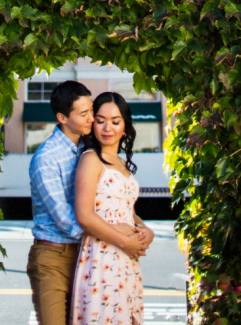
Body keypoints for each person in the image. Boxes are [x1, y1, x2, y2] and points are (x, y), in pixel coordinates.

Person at [27, 81, 150, 325]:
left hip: (91, 255)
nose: (92, 119)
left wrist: (141, 229)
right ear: (63, 117)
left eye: (91, 111)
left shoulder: (89, 147)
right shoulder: (46, 158)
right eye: (85, 114)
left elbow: (111, 201)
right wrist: (121, 236)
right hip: (54, 256)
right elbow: (68, 221)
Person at [70, 91, 155, 325]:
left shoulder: (121, 163)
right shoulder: (90, 159)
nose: (108, 128)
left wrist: (146, 230)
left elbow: (127, 210)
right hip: (102, 256)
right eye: (100, 121)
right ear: (93, 124)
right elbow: (84, 215)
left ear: (125, 127)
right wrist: (125, 241)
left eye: (115, 122)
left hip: (126, 260)